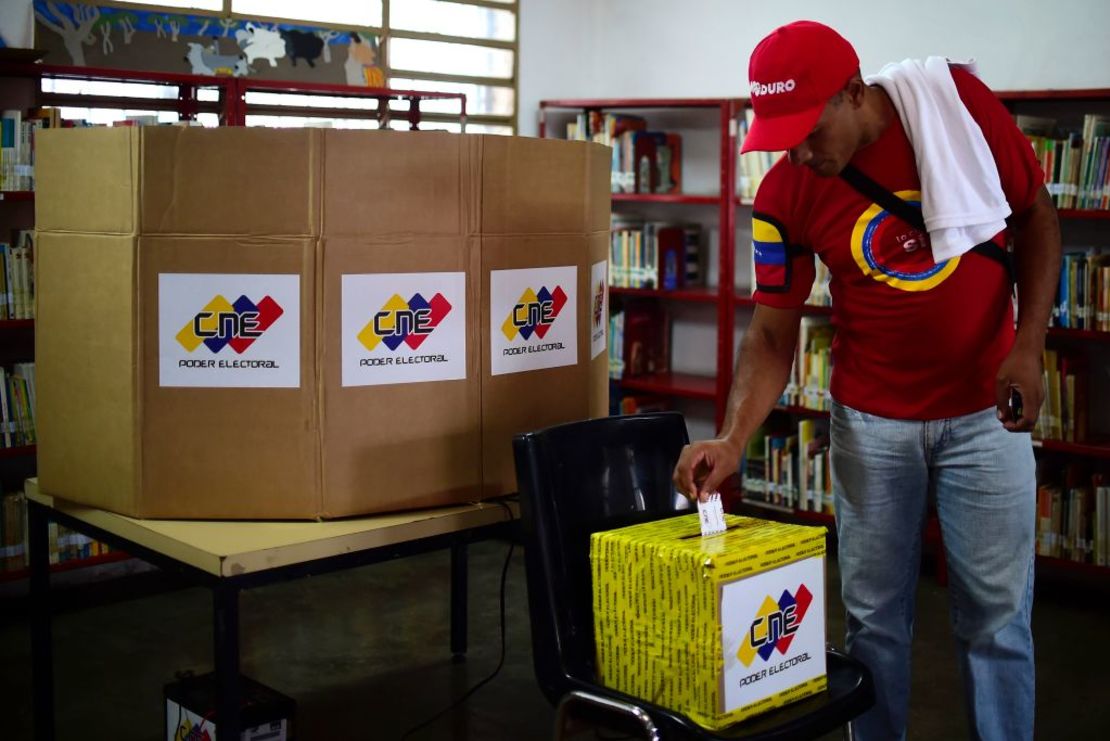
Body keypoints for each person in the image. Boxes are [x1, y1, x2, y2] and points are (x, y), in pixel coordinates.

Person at [672, 20, 1061, 741]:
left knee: (997, 619)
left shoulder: (959, 110)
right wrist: (731, 438)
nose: (799, 150)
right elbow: (770, 333)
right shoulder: (785, 191)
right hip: (871, 426)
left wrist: (1029, 344)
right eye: (781, 133)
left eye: (810, 128)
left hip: (986, 414)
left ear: (855, 92)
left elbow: (1036, 215)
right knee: (875, 621)